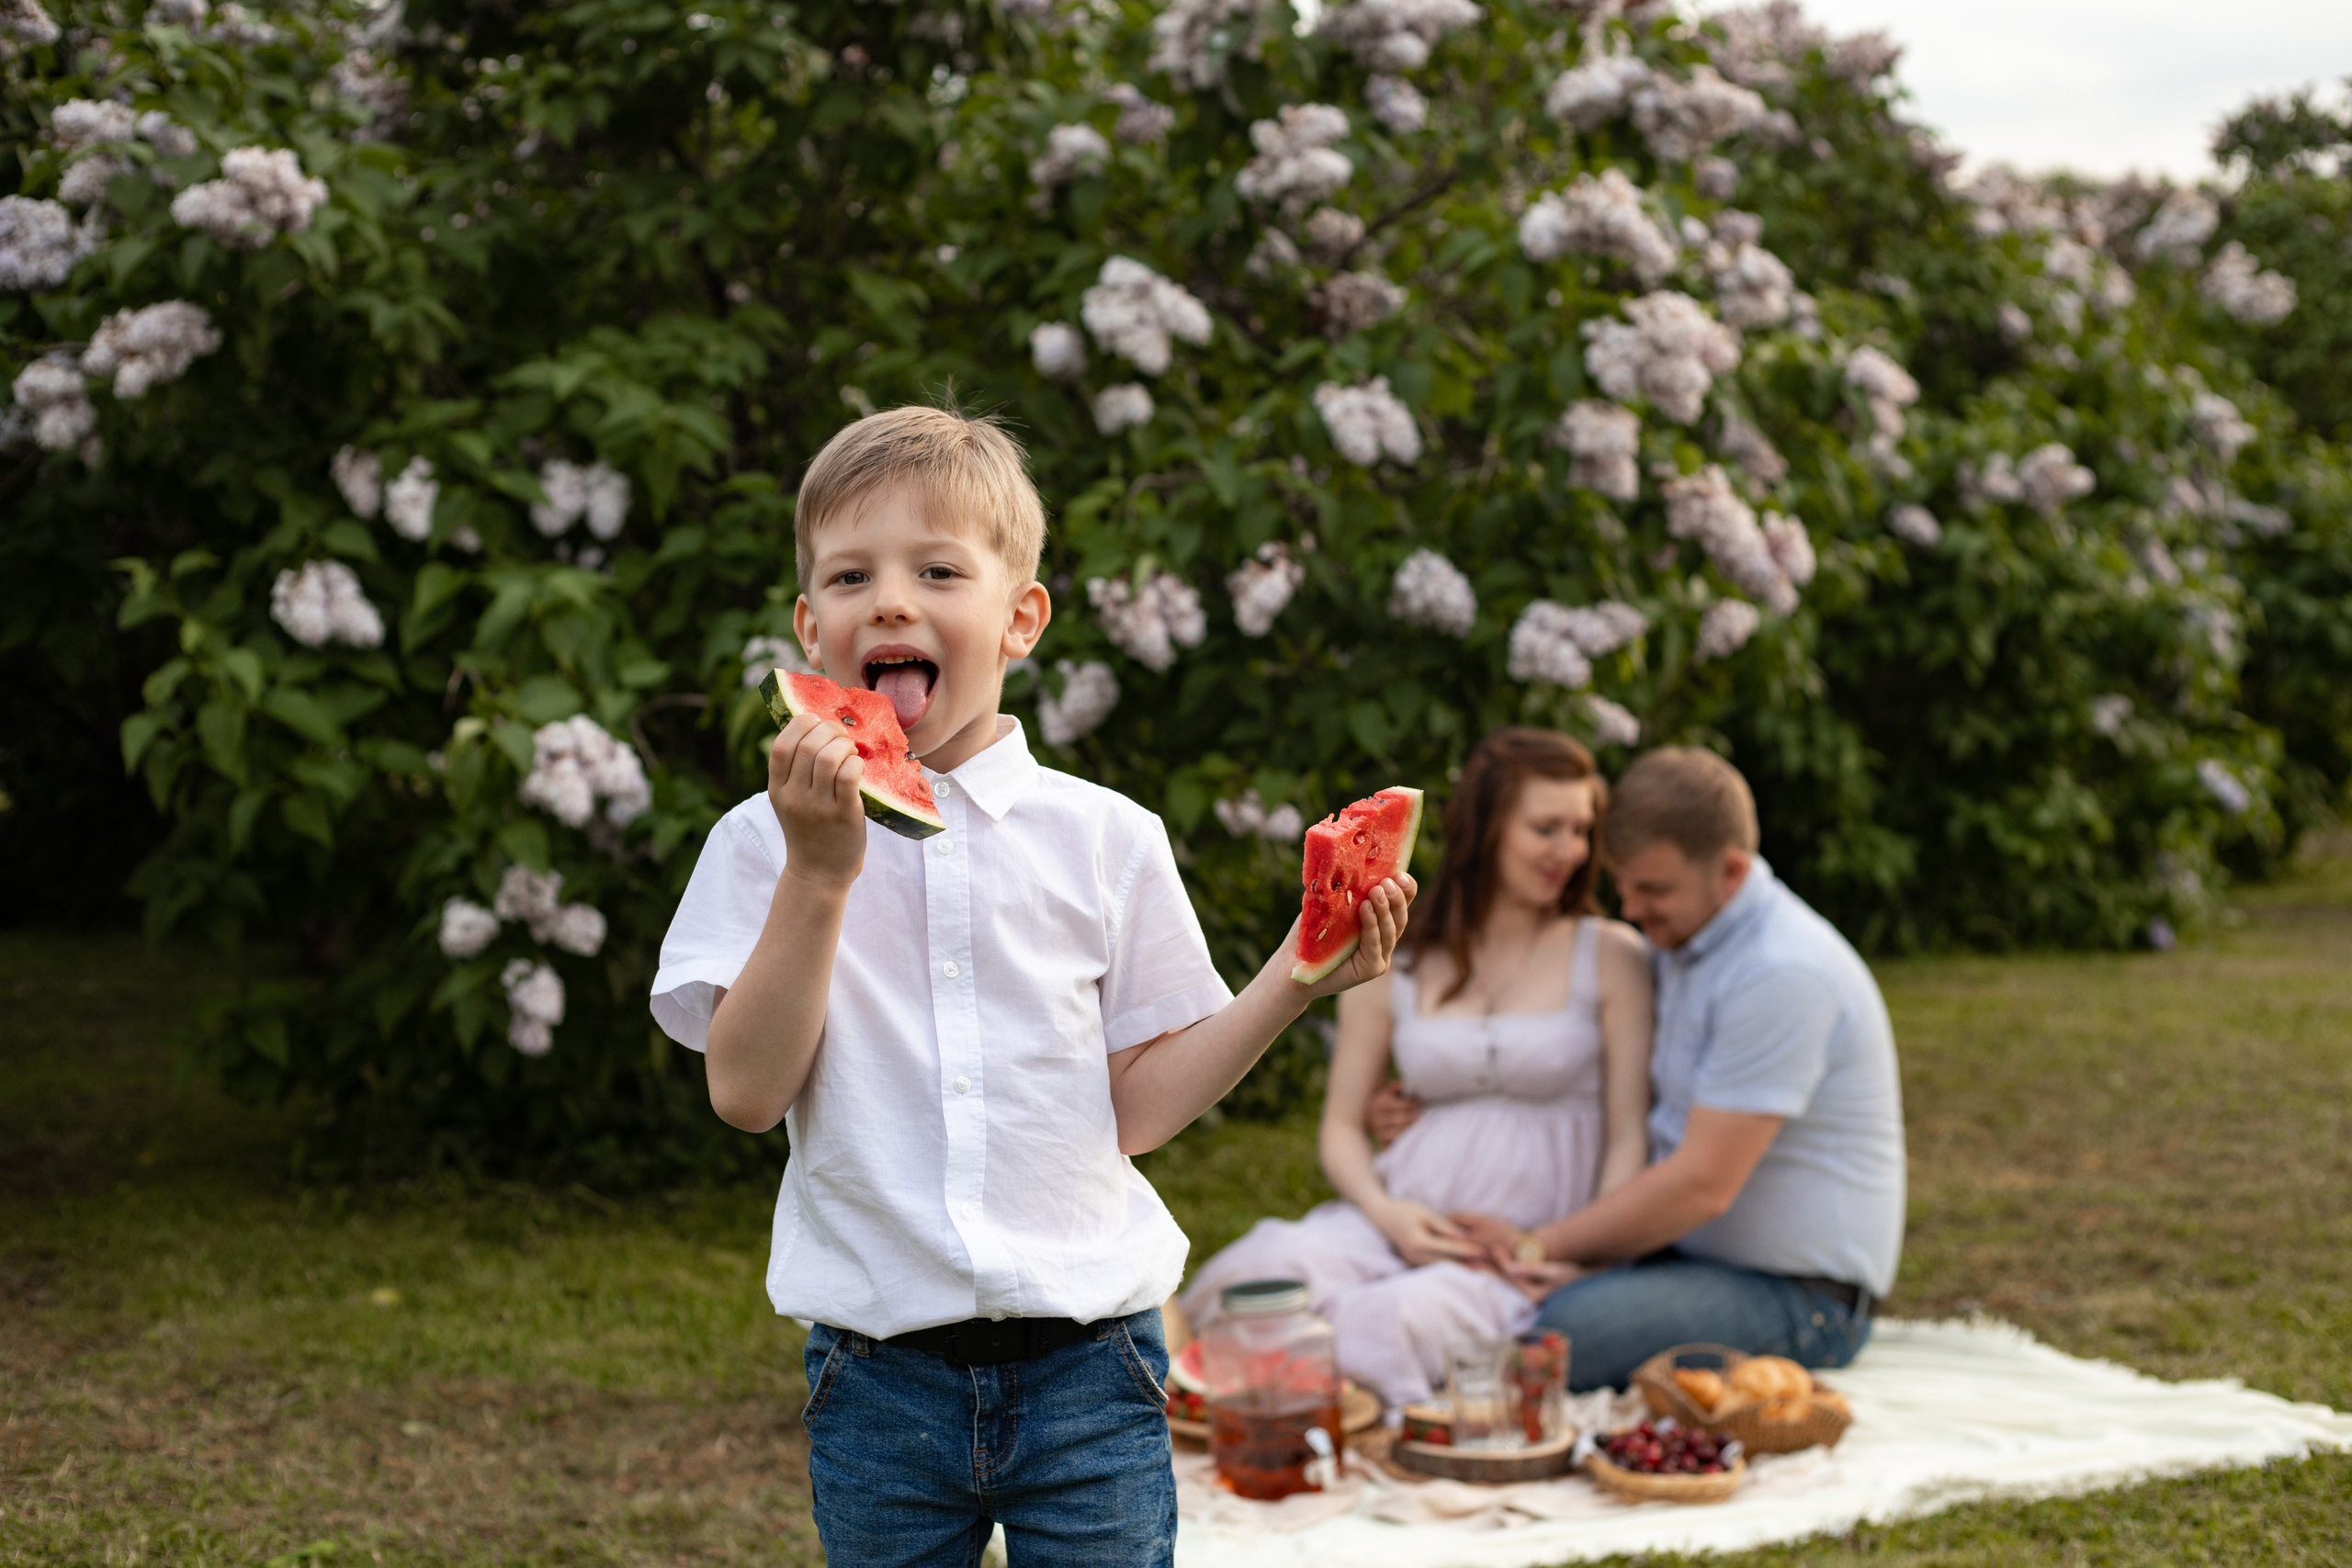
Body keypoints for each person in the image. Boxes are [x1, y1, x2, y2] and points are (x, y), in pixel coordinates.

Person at [649, 406, 1414, 1568]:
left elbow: (1142, 1111)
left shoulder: (1107, 838)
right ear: (812, 630)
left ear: (1021, 619)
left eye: (937, 570)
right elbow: (746, 1095)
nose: (891, 602)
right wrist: (818, 873)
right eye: (851, 576)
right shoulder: (762, 844)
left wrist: (1293, 982)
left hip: (1091, 1364)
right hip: (877, 1375)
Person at [1405, 747, 1905, 1393]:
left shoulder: (1781, 971)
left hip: (1802, 1297)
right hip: (1679, 1257)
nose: (1633, 908)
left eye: (1654, 889)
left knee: (1556, 1334)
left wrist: (1540, 1245)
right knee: (1516, 1311)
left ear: (1731, 871)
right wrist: (1425, 1095)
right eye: (1624, 884)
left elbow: (1702, 1184)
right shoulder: (1685, 938)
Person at [1181, 728, 1653, 1410]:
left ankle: (1298, 1426)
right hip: (1398, 1217)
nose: (1570, 850)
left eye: (1581, 829)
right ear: (1486, 829)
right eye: (1546, 827)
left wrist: (1589, 1255)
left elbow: (1628, 1129)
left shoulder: (1611, 954)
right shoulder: (1396, 952)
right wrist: (1388, 1213)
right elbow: (1342, 1125)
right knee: (1249, 1277)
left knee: (1387, 1325)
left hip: (1514, 1247)